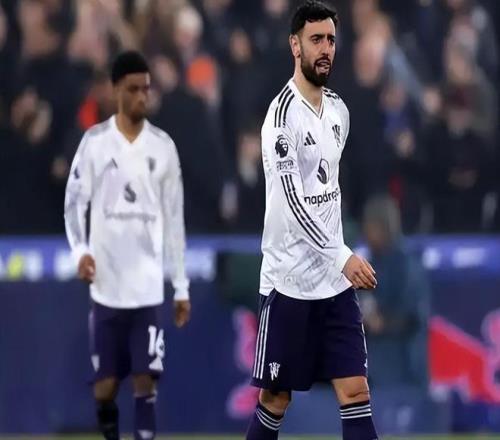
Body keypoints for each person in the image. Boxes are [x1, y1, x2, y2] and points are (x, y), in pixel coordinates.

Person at [246, 2, 379, 439]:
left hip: (333, 286)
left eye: (331, 40)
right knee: (275, 399)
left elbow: (329, 190)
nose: (325, 49)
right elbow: (292, 203)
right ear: (295, 45)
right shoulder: (281, 118)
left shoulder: (339, 111)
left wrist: (337, 261)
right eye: (316, 39)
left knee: (356, 391)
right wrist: (343, 255)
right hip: (289, 284)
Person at [64, 51, 190, 440]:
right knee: (105, 387)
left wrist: (180, 286)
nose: (141, 97)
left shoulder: (163, 147)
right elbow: (74, 203)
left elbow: (174, 221)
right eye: (133, 89)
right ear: (116, 90)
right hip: (107, 288)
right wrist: (81, 251)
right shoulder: (95, 143)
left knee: (145, 379)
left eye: (145, 89)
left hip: (147, 289)